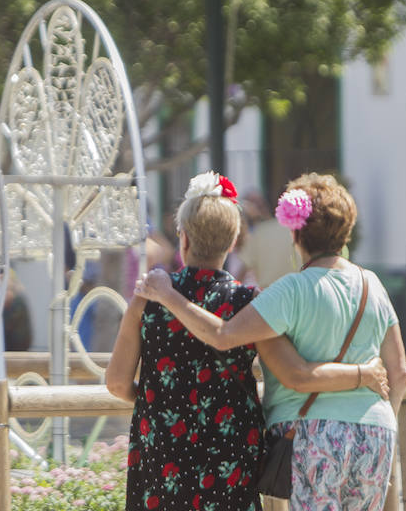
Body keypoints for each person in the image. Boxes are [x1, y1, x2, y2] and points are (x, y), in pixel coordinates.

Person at [107, 171, 389, 511]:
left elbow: (117, 382)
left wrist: (157, 400)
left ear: (183, 240)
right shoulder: (249, 302)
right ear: (233, 242)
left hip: (161, 446)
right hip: (230, 447)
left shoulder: (148, 299)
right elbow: (293, 369)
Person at [235, 190, 299, 288]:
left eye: (259, 206)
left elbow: (241, 274)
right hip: (297, 293)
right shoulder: (298, 231)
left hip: (268, 296)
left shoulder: (259, 232)